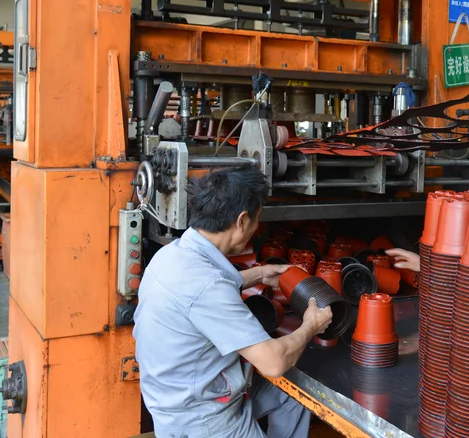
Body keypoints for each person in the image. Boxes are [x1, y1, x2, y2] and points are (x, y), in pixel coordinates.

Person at [134, 165, 333, 438]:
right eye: (257, 219)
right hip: (203, 420)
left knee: (294, 394)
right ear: (242, 221)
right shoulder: (208, 287)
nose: (257, 227)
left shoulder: (172, 255)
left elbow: (204, 291)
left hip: (177, 398)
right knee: (282, 368)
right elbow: (273, 362)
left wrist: (261, 274)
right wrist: (311, 325)